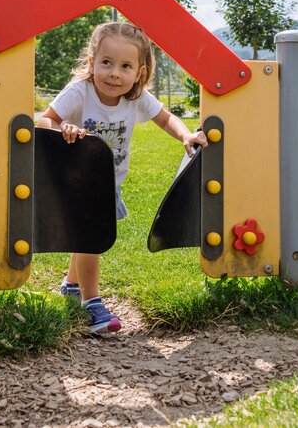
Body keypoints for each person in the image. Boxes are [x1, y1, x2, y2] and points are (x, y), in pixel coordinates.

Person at [37, 21, 207, 333]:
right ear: (92, 63)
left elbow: (165, 118)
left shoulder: (135, 98)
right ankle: (91, 303)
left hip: (107, 184)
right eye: (106, 63)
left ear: (139, 73)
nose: (115, 73)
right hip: (76, 181)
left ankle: (71, 285)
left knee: (87, 238)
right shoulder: (80, 92)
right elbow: (44, 120)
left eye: (125, 66)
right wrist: (63, 128)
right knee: (91, 238)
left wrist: (185, 135)